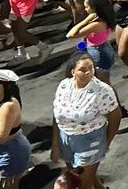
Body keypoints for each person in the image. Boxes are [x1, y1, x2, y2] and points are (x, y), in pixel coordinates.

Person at [50, 54, 121, 189]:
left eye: (91, 68)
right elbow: (56, 115)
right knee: (78, 176)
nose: (88, 72)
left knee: (83, 183)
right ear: (73, 72)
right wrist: (55, 144)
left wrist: (105, 143)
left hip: (90, 141)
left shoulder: (103, 91)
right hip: (65, 139)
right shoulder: (64, 86)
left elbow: (115, 118)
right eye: (82, 69)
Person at [0, 68, 30, 189]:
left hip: (12, 152)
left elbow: (1, 138)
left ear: (6, 86)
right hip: (1, 150)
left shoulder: (8, 106)